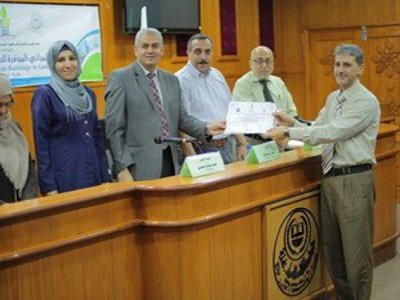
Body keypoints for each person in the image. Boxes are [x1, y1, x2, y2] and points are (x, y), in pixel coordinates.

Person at [268, 44, 380, 300]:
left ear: (360, 68)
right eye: (337, 64)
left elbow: (333, 132)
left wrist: (288, 133)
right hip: (330, 181)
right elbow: (317, 127)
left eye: (347, 65)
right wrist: (292, 122)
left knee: (356, 258)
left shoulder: (366, 102)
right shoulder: (333, 98)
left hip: (354, 181)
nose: (340, 70)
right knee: (335, 254)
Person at [105, 28, 225, 182]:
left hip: (171, 161)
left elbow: (182, 118)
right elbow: (114, 130)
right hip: (137, 166)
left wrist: (206, 128)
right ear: (136, 50)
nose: (150, 50)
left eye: (155, 46)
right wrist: (122, 168)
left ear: (162, 50)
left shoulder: (171, 80)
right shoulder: (120, 78)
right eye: (145, 46)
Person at [32, 40, 111, 196]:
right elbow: (41, 144)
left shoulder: (88, 94)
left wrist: (105, 175)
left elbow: (97, 138)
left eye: (72, 58)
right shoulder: (45, 95)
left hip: (93, 173)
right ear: (52, 64)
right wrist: (49, 186)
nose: (68, 64)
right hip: (65, 176)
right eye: (60, 60)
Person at [175, 33, 247, 163]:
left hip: (228, 145)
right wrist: (193, 158)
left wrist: (242, 143)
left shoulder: (217, 75)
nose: (203, 57)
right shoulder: (180, 80)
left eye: (207, 52)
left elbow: (231, 111)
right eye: (198, 51)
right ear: (188, 52)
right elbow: (181, 124)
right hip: (201, 149)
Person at [232, 46, 298, 144]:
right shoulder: (242, 84)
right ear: (251, 63)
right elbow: (249, 118)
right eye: (259, 61)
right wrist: (274, 134)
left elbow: (291, 112)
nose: (264, 65)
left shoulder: (278, 82)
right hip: (256, 141)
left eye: (268, 61)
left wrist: (285, 132)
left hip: (283, 137)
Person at [0, 73, 38, 203]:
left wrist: (28, 201)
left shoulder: (15, 127)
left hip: (20, 209)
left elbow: (28, 166)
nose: (4, 111)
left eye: (8, 104)